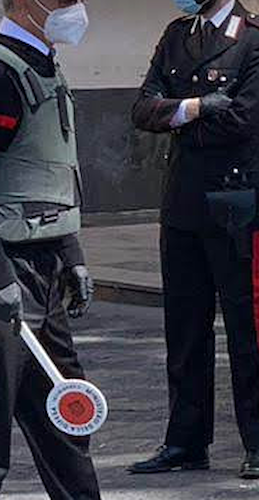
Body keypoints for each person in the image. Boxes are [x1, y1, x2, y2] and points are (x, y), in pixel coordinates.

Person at [129, 0, 259, 480]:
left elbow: (242, 118)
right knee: (184, 329)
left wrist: (174, 112)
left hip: (234, 198)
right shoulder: (179, 32)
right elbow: (141, 110)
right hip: (183, 200)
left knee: (247, 329)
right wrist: (196, 107)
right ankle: (185, 441)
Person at [0, 0, 101, 498]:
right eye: (62, 0)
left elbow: (47, 178)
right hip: (7, 269)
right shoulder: (2, 69)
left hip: (44, 268)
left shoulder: (43, 63)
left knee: (68, 419)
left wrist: (73, 255)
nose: (75, 8)